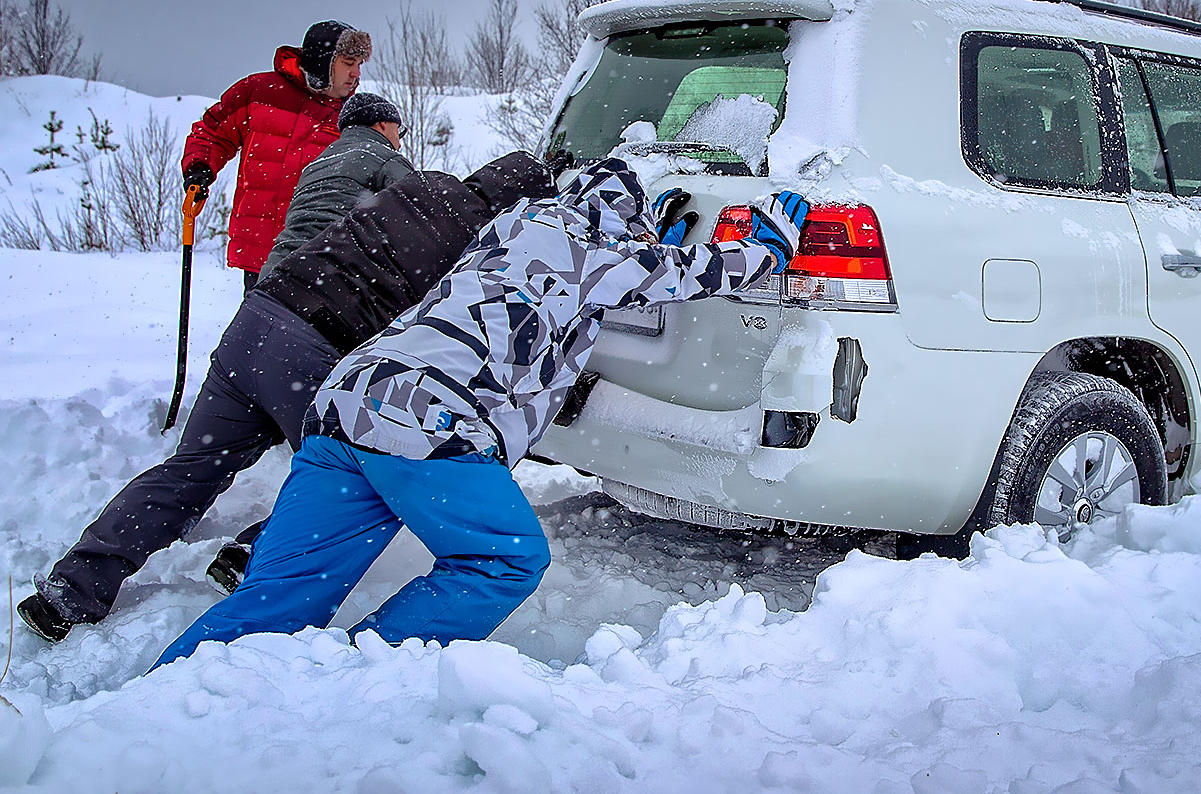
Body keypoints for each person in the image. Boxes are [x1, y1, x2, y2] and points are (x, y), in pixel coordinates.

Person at [152, 158, 810, 667]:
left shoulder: (508, 231)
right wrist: (769, 244)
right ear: (621, 218)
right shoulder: (598, 247)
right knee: (506, 559)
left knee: (277, 596)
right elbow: (700, 272)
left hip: (347, 400)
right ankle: (354, 678)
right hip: (428, 421)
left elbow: (563, 297)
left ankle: (163, 710)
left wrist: (642, 248)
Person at [16, 152, 559, 643]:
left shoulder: (418, 187)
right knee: (351, 473)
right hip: (317, 346)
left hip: (258, 319)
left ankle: (71, 587)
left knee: (192, 467)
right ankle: (251, 559)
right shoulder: (486, 245)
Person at [181, 20, 371, 290]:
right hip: (261, 248)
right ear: (323, 61)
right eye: (349, 62)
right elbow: (213, 133)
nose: (355, 73)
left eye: (359, 64)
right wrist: (199, 168)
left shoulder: (352, 116)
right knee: (260, 329)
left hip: (322, 253)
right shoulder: (259, 92)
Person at [259, 92, 414, 277]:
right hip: (334, 272)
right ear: (383, 124)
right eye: (399, 131)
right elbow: (419, 212)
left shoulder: (315, 165)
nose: (399, 143)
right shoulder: (385, 156)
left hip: (276, 270)